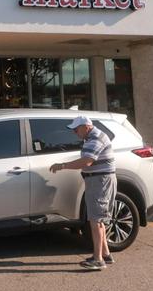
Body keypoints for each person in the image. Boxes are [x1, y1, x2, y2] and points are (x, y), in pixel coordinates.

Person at [49, 116, 116, 271]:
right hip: (97, 180)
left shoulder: (96, 138)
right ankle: (106, 254)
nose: (74, 132)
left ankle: (98, 260)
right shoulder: (91, 137)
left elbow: (87, 161)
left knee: (96, 220)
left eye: (76, 129)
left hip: (100, 181)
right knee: (97, 218)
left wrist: (63, 165)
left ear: (86, 126)